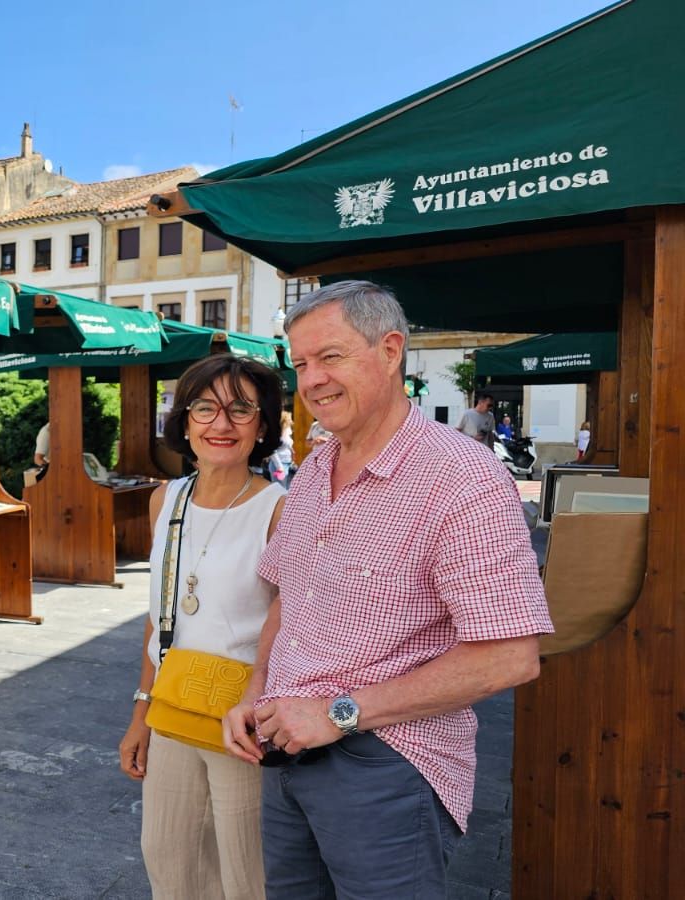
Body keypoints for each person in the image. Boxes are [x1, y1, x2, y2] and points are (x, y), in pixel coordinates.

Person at [222, 281, 551, 898]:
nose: (312, 380)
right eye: (300, 364)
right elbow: (290, 600)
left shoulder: (463, 477)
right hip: (285, 747)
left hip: (387, 763)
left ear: (391, 348)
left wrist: (337, 714)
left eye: (331, 356)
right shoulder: (317, 466)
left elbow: (512, 656)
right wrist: (256, 689)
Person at [119, 354, 287, 900]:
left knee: (241, 872)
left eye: (241, 410)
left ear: (261, 427)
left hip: (241, 718)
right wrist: (140, 713)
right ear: (185, 421)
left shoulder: (278, 510)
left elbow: (289, 625)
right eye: (206, 408)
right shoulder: (163, 499)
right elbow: (158, 617)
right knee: (167, 859)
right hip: (172, 708)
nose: (222, 424)